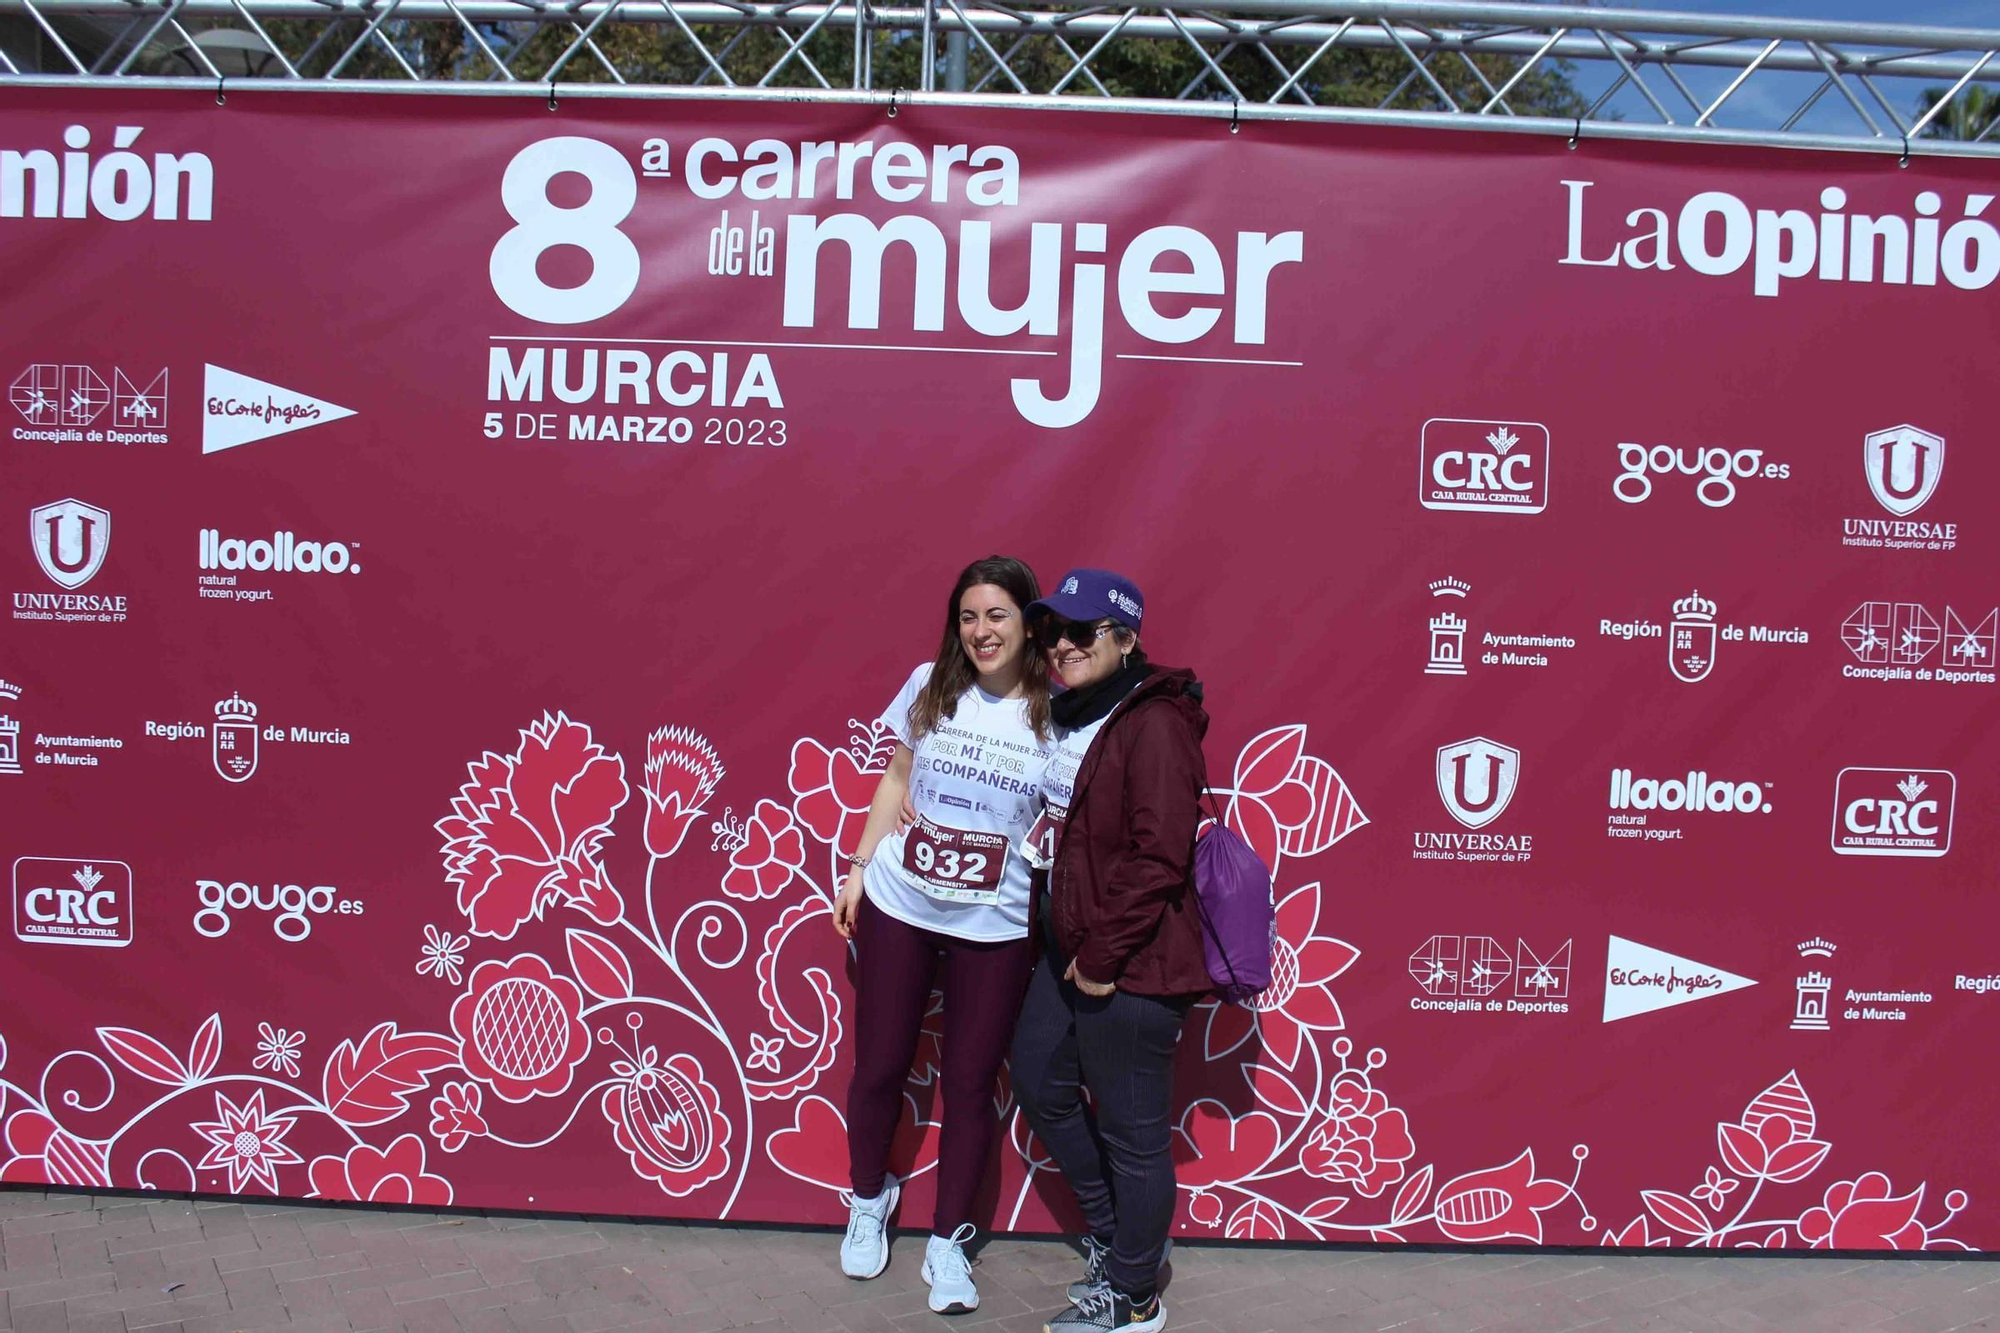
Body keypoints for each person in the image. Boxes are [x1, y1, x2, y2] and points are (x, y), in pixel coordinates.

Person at [831, 555, 1055, 1315]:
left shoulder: (1055, 714)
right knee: (880, 1067)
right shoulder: (932, 683)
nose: (981, 630)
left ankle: (949, 1241)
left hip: (995, 927)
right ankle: (868, 1201)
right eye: (969, 615)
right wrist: (859, 866)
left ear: (1028, 622)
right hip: (901, 905)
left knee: (967, 1086)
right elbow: (896, 776)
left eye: (997, 614)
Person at [1011, 568, 1210, 1333]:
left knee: (1132, 1132)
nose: (1062, 645)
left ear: (1126, 638)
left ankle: (1135, 1296)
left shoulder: (1152, 722)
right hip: (1071, 950)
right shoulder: (1072, 712)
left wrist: (1100, 956)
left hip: (1132, 963)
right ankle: (1115, 1239)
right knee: (1039, 1077)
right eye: (1054, 631)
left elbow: (1159, 856)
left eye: (1082, 631)